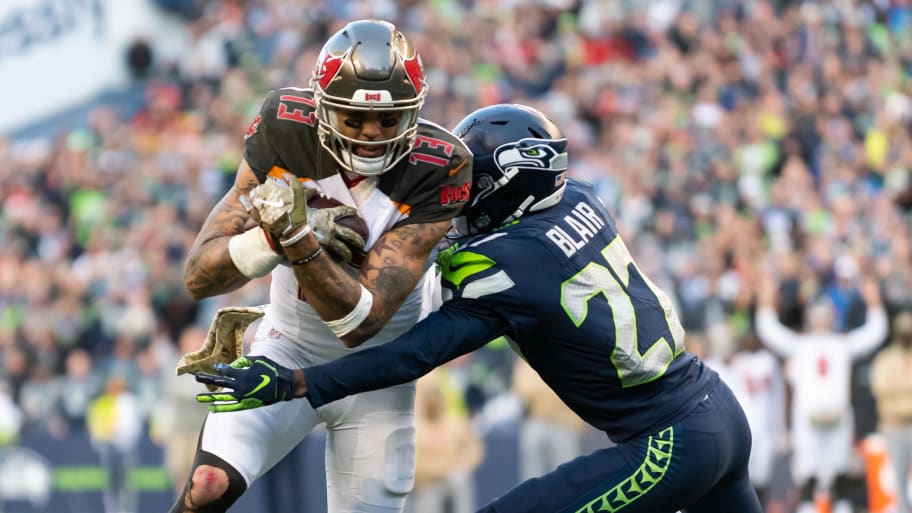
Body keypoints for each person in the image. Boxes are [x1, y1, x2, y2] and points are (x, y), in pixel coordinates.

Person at [196, 104, 763, 513]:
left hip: (668, 442)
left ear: (505, 185)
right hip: (719, 412)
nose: (459, 206)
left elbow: (414, 354)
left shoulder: (509, 265)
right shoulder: (582, 199)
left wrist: (298, 381)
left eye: (473, 190)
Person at [175, 19, 472, 513]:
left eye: (388, 120)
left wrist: (295, 236)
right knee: (208, 484)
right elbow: (198, 276)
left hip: (376, 373)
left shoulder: (441, 165)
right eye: (355, 120)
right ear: (323, 108)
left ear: (413, 114)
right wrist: (267, 236)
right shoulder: (285, 128)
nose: (372, 134)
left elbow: (360, 322)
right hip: (289, 346)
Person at [756, 275, 887, 513]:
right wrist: (765, 300)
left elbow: (769, 330)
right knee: (809, 479)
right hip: (813, 419)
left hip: (831, 418)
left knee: (838, 478)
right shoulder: (812, 344)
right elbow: (875, 333)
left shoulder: (828, 344)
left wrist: (875, 301)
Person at [870, 310, 912, 513]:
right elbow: (881, 389)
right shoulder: (886, 359)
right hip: (894, 425)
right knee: (898, 478)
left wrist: (899, 391)